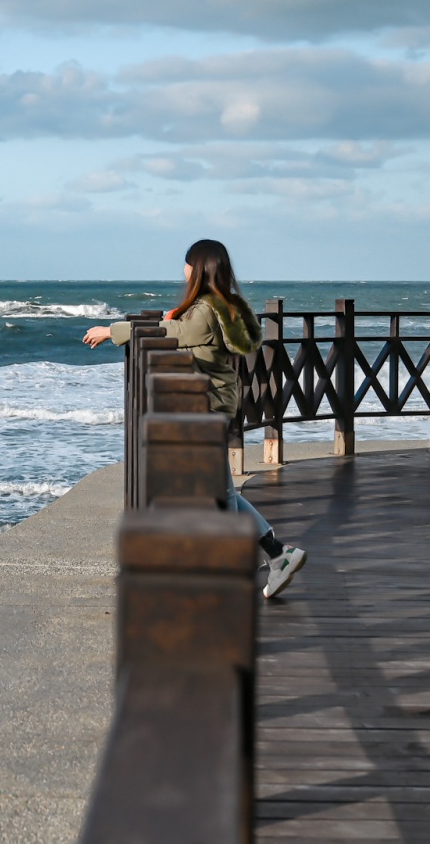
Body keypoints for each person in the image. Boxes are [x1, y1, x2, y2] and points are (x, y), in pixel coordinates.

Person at [84, 238, 308, 599]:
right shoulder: (219, 305)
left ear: (199, 268)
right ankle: (276, 553)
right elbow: (179, 328)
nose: (183, 270)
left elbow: (172, 333)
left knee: (215, 493)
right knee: (223, 490)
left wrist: (114, 331)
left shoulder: (204, 309)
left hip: (204, 406)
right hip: (210, 404)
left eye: (187, 264)